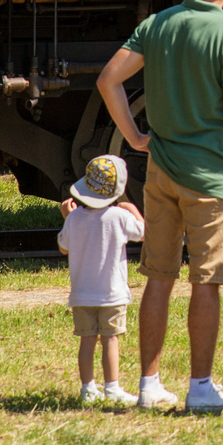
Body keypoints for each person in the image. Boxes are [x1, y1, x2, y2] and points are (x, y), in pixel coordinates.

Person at [92, 0, 223, 413]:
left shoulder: (158, 24)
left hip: (162, 173)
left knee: (159, 277)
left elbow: (109, 80)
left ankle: (149, 385)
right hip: (210, 178)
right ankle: (201, 388)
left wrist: (133, 136)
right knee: (205, 282)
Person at [59, 155, 146, 405]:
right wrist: (133, 210)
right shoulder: (119, 217)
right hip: (111, 293)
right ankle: (112, 388)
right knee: (110, 339)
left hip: (82, 294)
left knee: (87, 340)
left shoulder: (74, 218)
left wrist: (67, 217)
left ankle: (87, 388)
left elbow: (63, 247)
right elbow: (142, 234)